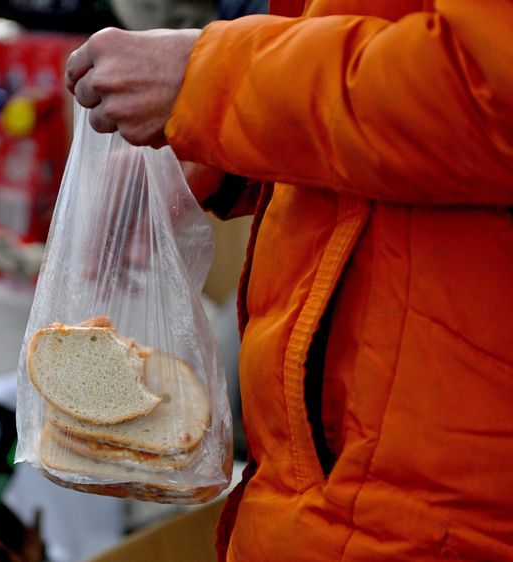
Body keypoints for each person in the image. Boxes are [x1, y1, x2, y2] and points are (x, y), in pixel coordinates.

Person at [65, 2, 513, 561]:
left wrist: (209, 81)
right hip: (353, 492)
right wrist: (229, 156)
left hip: (439, 503)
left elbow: (488, 87)